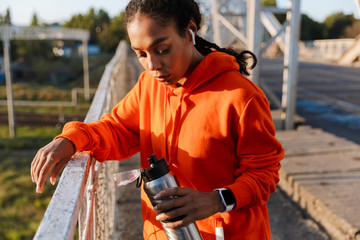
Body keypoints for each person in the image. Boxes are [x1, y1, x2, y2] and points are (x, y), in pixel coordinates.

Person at [31, 0, 284, 239]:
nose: (152, 65)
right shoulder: (148, 86)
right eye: (140, 54)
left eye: (161, 49)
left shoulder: (241, 96)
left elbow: (264, 172)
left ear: (190, 32)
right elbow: (117, 129)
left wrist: (216, 200)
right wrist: (71, 139)